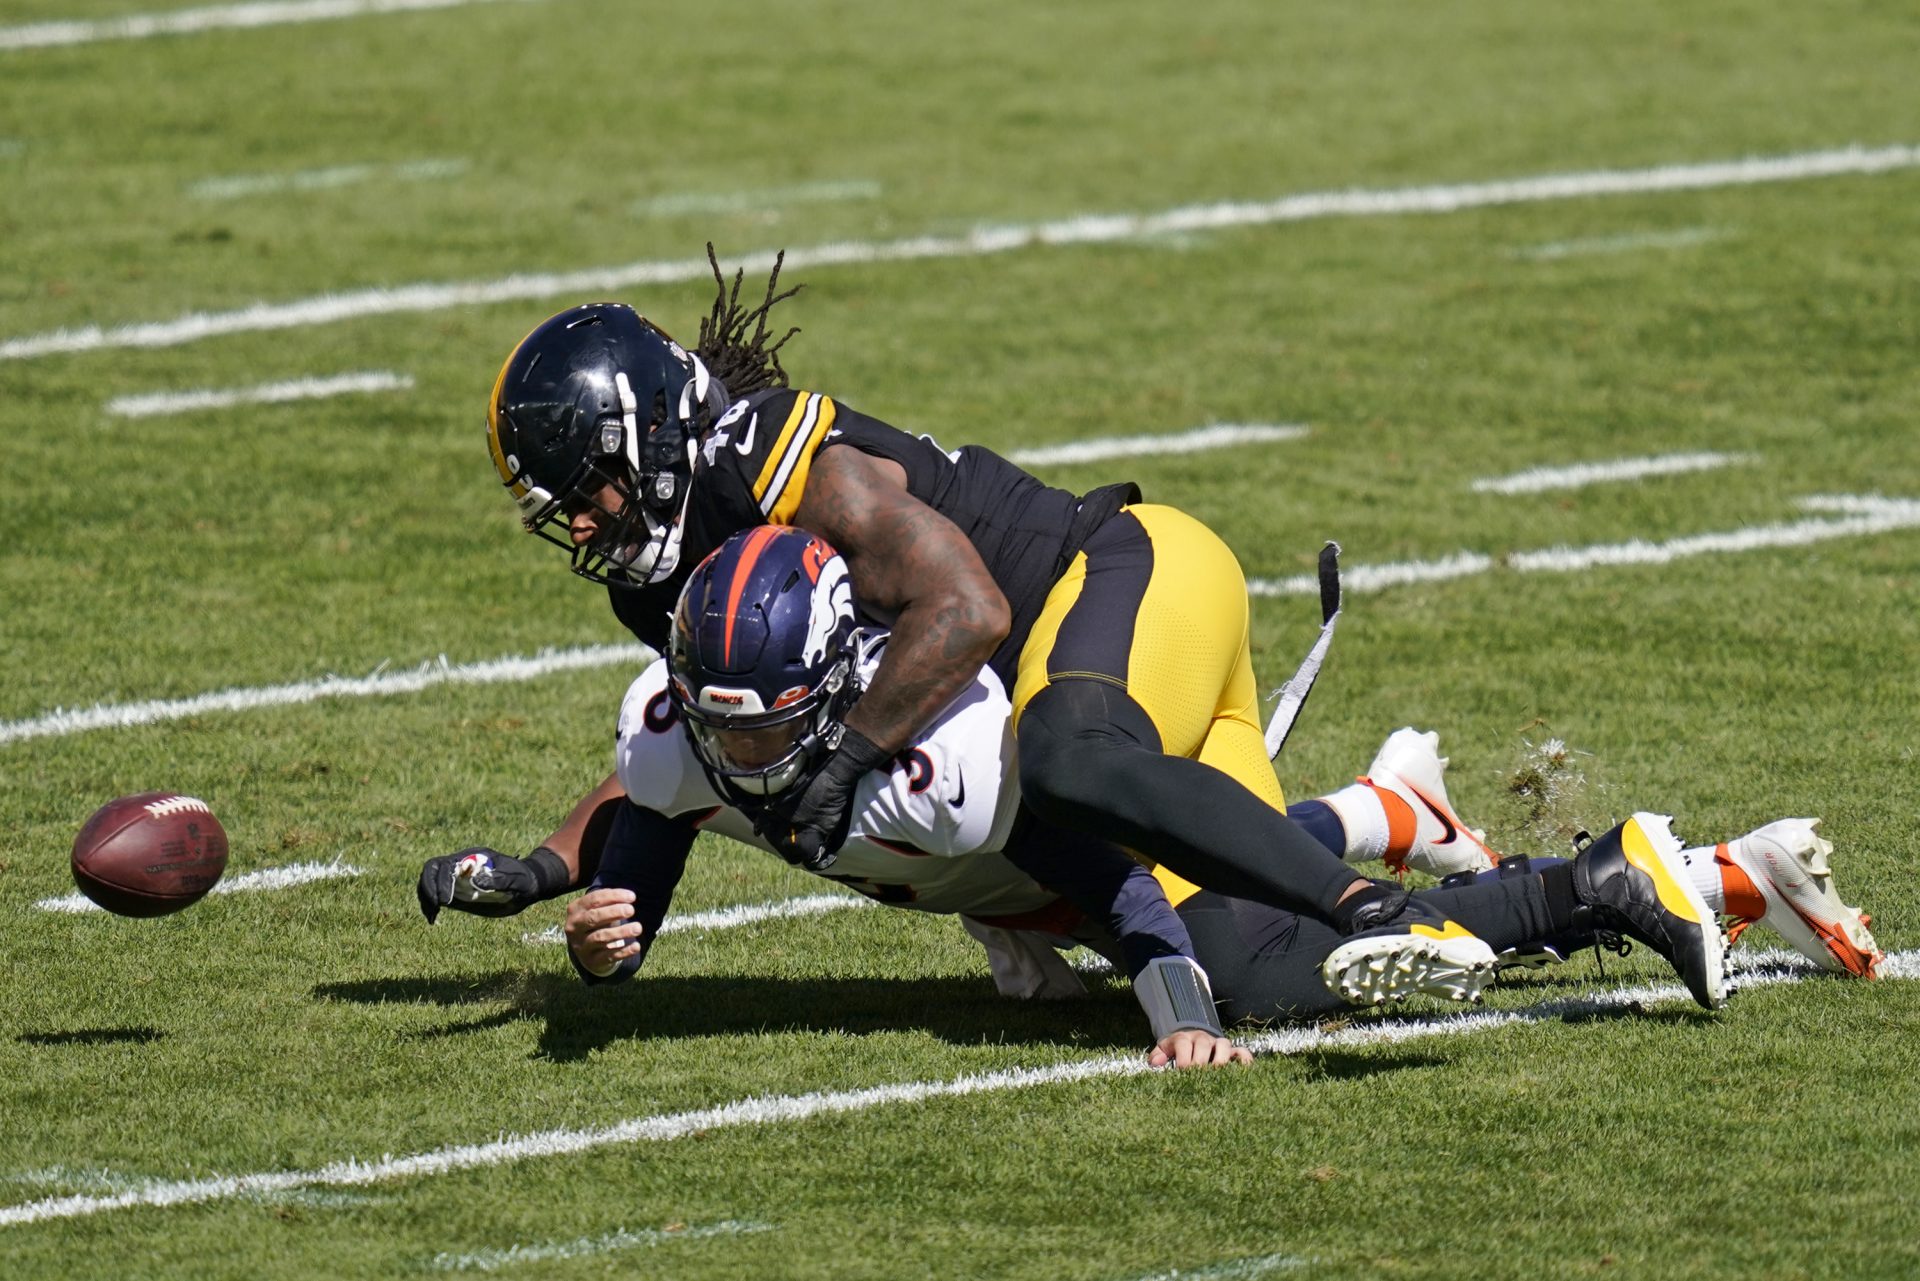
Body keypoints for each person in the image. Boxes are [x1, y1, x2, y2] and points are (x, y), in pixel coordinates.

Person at [422, 531, 1883, 1058]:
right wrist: (601, 919)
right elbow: (650, 802)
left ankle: (1609, 878)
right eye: (723, 731)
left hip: (1093, 833)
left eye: (769, 733)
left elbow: (1122, 882)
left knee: (1287, 981)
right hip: (1043, 865)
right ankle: (1390, 808)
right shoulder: (696, 724)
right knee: (1263, 893)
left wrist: (1177, 1014)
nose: (744, 762)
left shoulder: (945, 766)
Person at [477, 252, 1465, 953]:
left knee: (1064, 772)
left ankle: (1436, 893)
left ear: (645, 436)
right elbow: (686, 751)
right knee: (1241, 952)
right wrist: (548, 867)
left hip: (1110, 584)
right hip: (1024, 687)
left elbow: (966, 613)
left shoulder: (772, 465)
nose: (580, 529)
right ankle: (1384, 814)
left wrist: (848, 762)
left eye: (586, 493)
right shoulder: (660, 578)